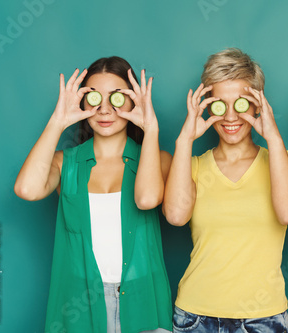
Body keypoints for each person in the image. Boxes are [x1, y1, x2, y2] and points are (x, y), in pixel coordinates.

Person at [14, 56, 173, 333]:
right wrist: (57, 121)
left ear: (134, 101)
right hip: (79, 304)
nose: (105, 109)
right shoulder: (67, 163)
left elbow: (146, 199)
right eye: (95, 97)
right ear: (83, 103)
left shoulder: (157, 159)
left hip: (142, 301)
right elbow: (27, 189)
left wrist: (151, 128)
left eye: (117, 97)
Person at [163, 48, 288, 332]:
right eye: (219, 104)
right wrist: (184, 140)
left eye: (240, 104)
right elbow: (176, 216)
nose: (230, 116)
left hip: (264, 317)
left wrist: (273, 138)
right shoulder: (192, 166)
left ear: (257, 105)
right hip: (196, 316)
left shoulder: (284, 162)